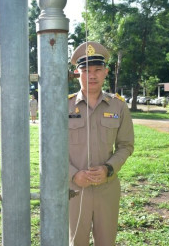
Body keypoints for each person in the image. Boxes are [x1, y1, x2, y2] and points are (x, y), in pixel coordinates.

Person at [68, 41, 134, 245]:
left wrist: (109, 169)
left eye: (98, 70)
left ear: (106, 72)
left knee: (106, 241)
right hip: (74, 190)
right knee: (75, 242)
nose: (92, 75)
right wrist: (73, 175)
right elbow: (51, 150)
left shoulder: (118, 106)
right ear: (77, 73)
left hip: (107, 188)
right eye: (86, 70)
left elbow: (126, 145)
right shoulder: (64, 105)